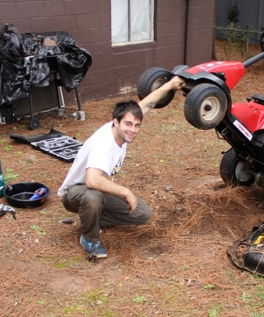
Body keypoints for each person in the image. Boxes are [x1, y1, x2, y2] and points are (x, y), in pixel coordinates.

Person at [58, 76, 185, 258]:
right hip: (75, 194)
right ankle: (90, 238)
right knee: (93, 195)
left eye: (136, 125)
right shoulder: (104, 143)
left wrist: (170, 85)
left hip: (96, 190)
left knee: (143, 214)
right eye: (128, 124)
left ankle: (92, 220)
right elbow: (92, 180)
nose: (132, 130)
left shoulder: (122, 129)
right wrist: (125, 191)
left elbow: (146, 105)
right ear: (115, 122)